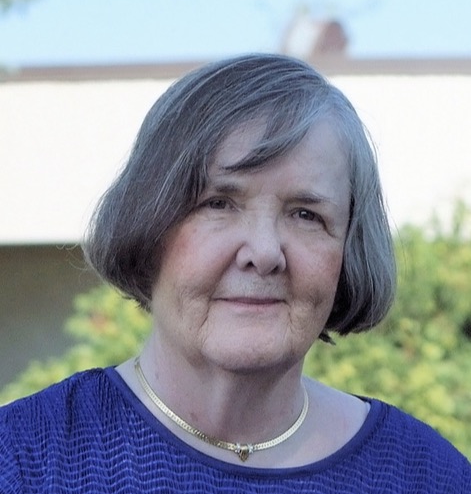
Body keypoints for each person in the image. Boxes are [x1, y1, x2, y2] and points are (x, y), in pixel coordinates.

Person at [1, 53, 469, 493]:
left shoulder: (429, 477)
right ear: (146, 224)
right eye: (218, 204)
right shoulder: (24, 461)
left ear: (349, 248)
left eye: (306, 214)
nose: (264, 253)